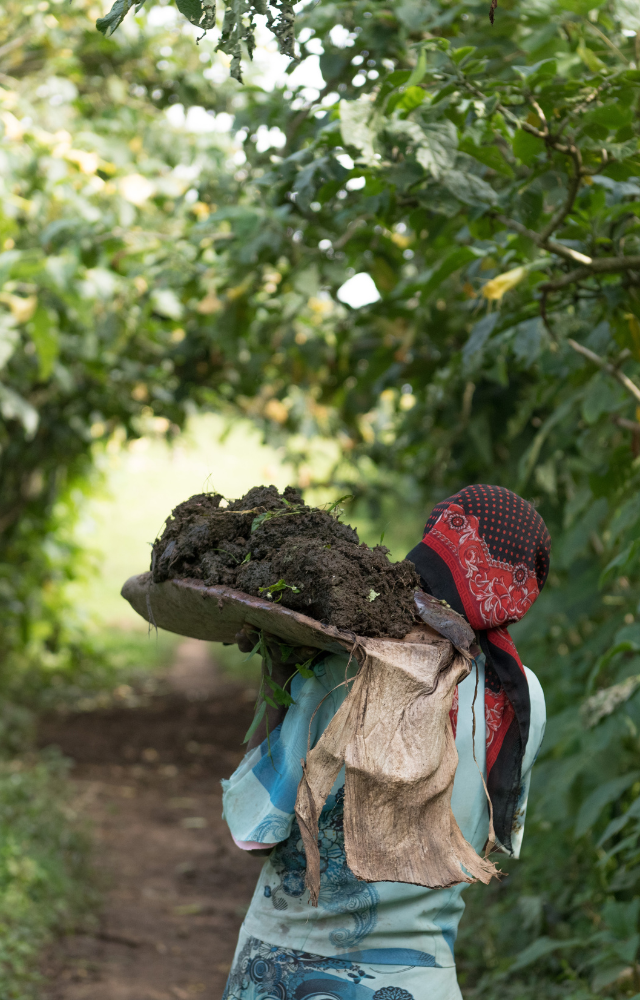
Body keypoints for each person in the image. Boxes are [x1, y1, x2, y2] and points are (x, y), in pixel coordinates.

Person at [221, 485, 549, 1000]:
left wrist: (279, 674)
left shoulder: (343, 665)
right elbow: (487, 847)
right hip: (422, 983)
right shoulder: (522, 698)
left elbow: (253, 833)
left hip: (285, 977)